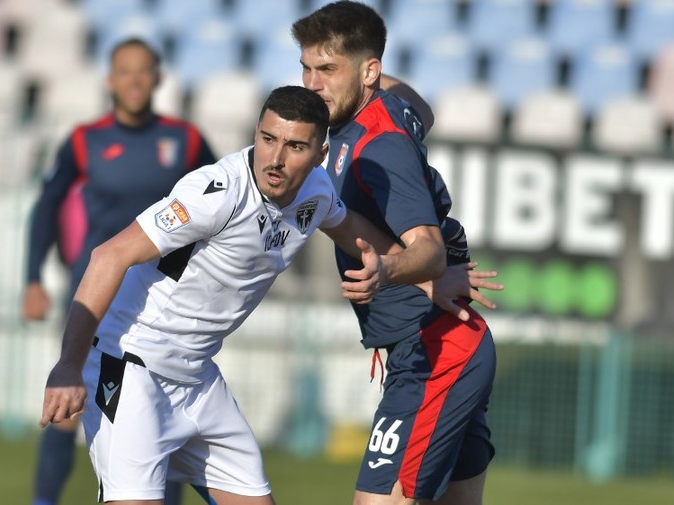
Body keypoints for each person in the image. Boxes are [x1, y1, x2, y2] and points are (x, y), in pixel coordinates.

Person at [38, 85, 452, 505]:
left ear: (320, 154)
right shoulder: (215, 194)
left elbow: (352, 232)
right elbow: (108, 256)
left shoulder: (317, 191)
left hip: (197, 378)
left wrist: (428, 274)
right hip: (130, 367)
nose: (275, 158)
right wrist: (68, 366)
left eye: (294, 146)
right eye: (267, 139)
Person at [292, 2, 498, 504]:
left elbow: (425, 249)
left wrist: (389, 269)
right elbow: (418, 106)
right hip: (440, 343)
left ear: (369, 71)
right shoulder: (369, 115)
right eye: (306, 67)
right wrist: (361, 66)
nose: (312, 83)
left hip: (435, 351)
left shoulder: (381, 145)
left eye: (327, 70)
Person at [22, 37, 216, 505]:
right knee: (70, 401)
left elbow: (223, 202)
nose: (134, 80)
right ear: (110, 80)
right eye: (124, 71)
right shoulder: (85, 140)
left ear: (158, 78)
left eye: (143, 70)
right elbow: (46, 206)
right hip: (97, 293)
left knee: (161, 407)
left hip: (165, 298)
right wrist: (32, 278)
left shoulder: (185, 140)